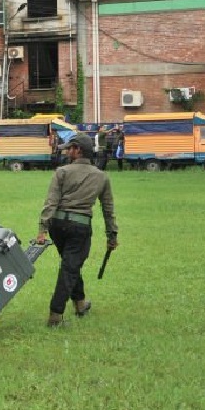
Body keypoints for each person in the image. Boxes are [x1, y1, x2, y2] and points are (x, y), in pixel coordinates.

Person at [35, 133, 118, 327]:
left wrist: (42, 230)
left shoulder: (61, 172)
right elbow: (108, 210)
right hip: (79, 227)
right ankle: (55, 315)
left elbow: (51, 203)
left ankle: (80, 303)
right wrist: (112, 235)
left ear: (78, 150)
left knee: (70, 264)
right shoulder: (101, 177)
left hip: (57, 227)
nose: (67, 151)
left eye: (70, 148)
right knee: (70, 267)